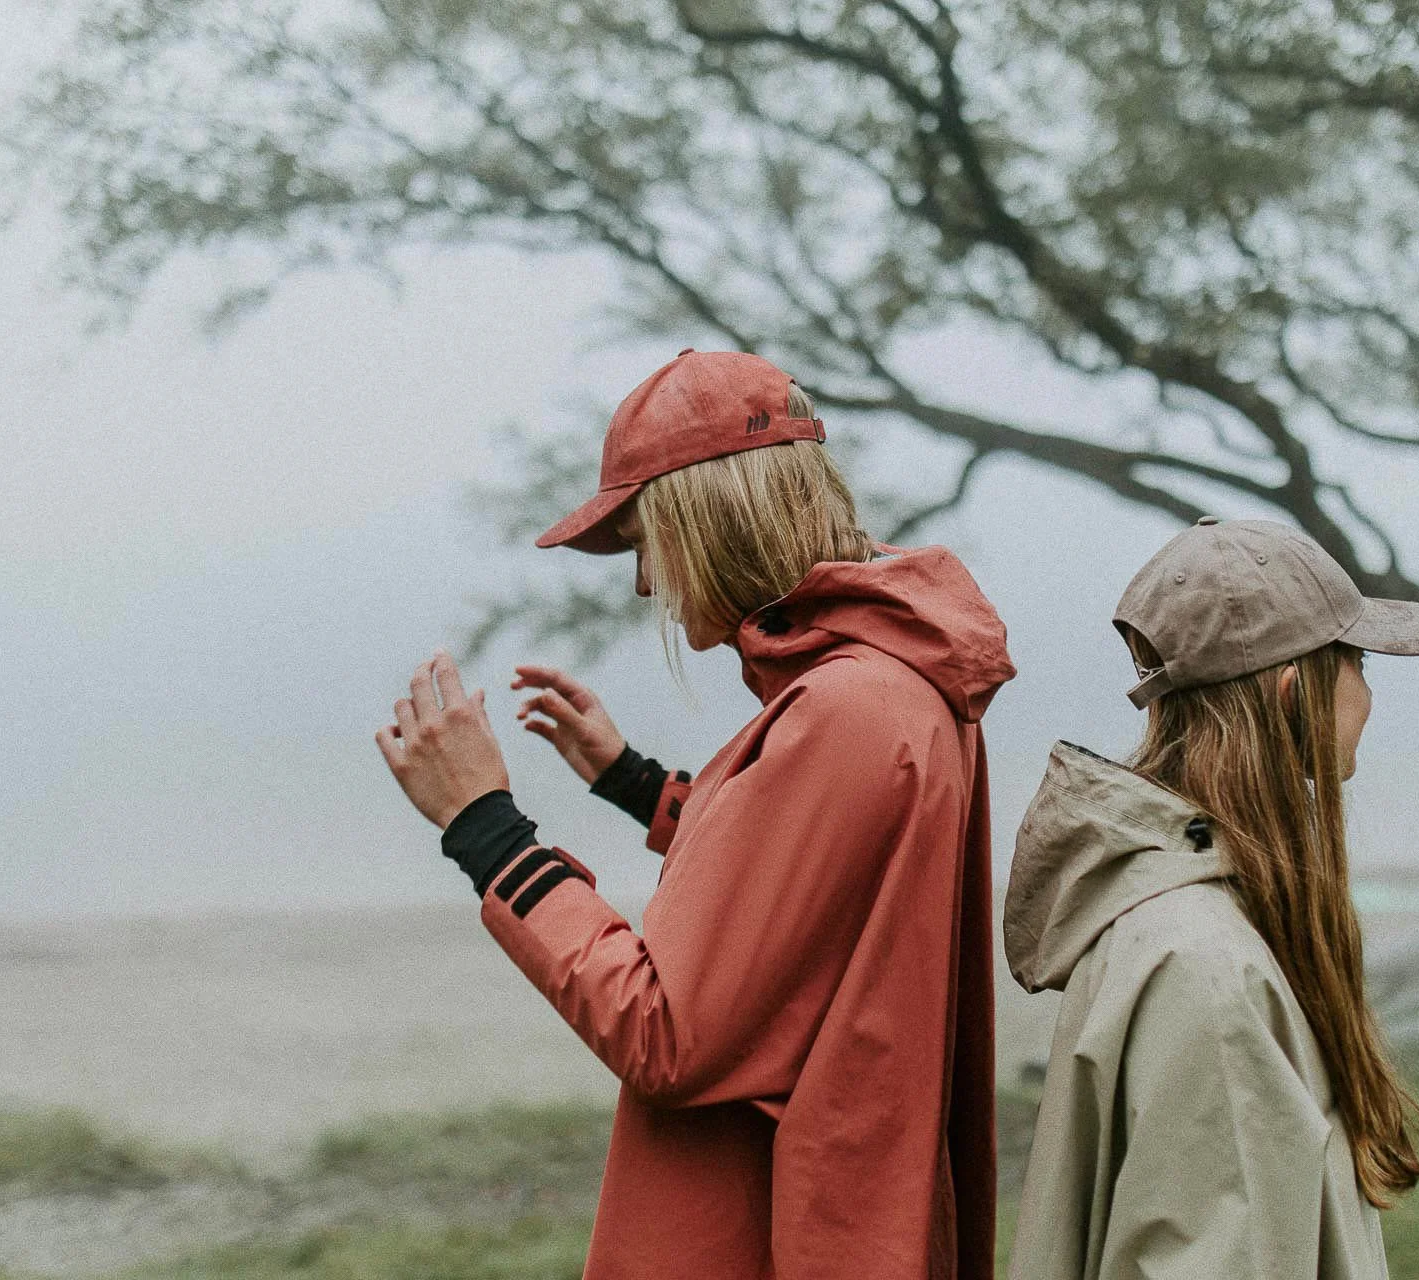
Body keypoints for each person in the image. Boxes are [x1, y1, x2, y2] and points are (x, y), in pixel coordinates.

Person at [375, 349, 1016, 1280]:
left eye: (643, 541)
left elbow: (664, 1033)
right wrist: (634, 782)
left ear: (709, 513)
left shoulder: (848, 710)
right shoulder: (893, 686)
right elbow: (811, 899)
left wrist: (484, 826)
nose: (643, 584)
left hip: (779, 1239)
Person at [1003, 517, 1419, 1280]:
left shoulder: (1185, 920)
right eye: (1358, 661)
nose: (1368, 694)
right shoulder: (1207, 968)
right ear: (1290, 691)